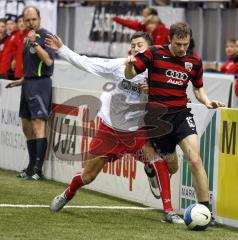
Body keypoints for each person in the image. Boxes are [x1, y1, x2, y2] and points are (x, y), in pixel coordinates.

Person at [45, 31, 184, 224]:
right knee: (88, 176)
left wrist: (151, 92)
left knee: (158, 161)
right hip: (109, 129)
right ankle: (67, 194)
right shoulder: (121, 65)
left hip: (136, 131)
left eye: (140, 45)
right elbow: (87, 63)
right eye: (133, 45)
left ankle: (169, 211)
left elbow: (173, 96)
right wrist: (62, 49)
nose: (135, 48)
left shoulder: (157, 72)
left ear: (149, 49)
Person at [125, 22, 225, 226]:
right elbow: (130, 74)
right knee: (172, 167)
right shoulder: (153, 53)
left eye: (185, 44)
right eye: (178, 44)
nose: (182, 48)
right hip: (158, 119)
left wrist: (207, 101)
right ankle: (151, 169)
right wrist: (129, 65)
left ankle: (206, 210)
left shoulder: (194, 60)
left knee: (195, 160)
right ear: (169, 40)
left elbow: (198, 89)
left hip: (181, 114)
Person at [6, 6, 55, 180]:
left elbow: (48, 62)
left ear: (39, 19)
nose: (30, 23)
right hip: (28, 83)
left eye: (33, 19)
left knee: (38, 125)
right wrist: (22, 80)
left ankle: (37, 169)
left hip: (41, 85)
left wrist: (35, 42)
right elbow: (33, 65)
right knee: (27, 127)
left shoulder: (45, 36)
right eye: (27, 20)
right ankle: (30, 166)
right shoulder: (26, 38)